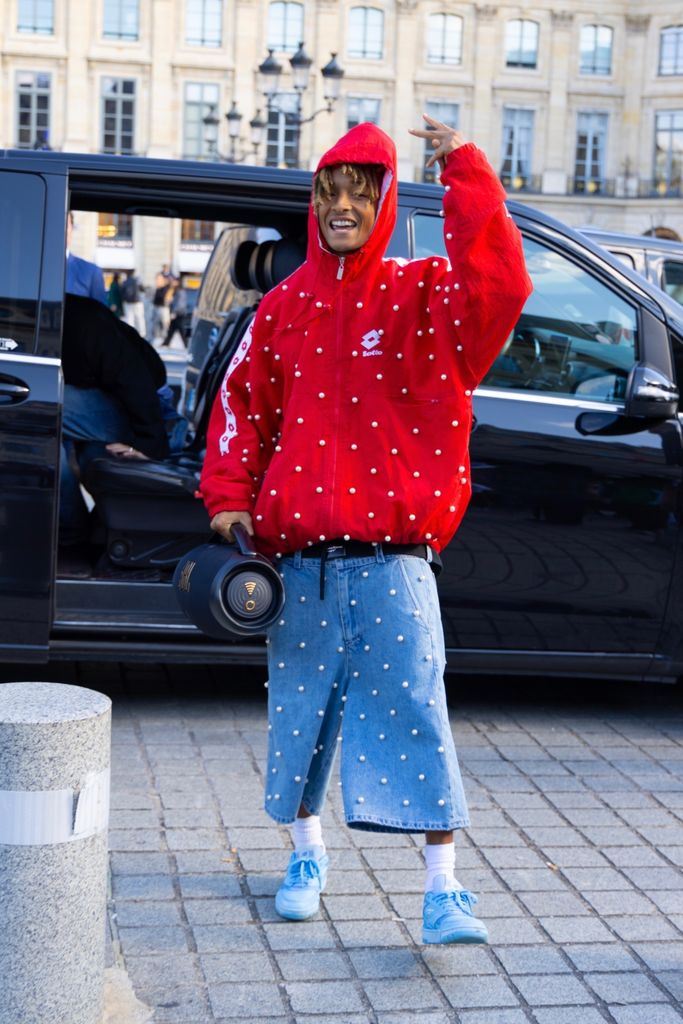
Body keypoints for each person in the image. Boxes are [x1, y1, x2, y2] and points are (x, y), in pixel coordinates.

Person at [200, 118, 532, 944]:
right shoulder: (283, 307)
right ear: (314, 203)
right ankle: (306, 855)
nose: (342, 207)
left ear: (383, 203)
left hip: (395, 556)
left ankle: (443, 889)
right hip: (300, 559)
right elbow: (243, 403)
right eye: (329, 193)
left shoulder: (424, 294)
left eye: (360, 193)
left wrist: (464, 172)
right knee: (301, 714)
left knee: (416, 707)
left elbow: (500, 284)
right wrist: (229, 494)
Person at [59, 294, 174, 546]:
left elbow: (136, 382)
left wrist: (148, 445)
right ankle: (75, 529)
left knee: (45, 400)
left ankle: (70, 533)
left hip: (148, 407)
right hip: (114, 400)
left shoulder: (84, 325)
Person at [65, 212, 107, 305]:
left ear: (71, 230)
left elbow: (100, 316)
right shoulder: (30, 268)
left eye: (64, 225)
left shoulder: (91, 273)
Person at [159, 280, 188, 348]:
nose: (172, 283)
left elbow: (180, 304)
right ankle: (166, 342)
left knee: (180, 329)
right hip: (178, 312)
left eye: (174, 282)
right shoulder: (177, 291)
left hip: (179, 313)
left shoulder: (180, 292)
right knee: (172, 328)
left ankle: (186, 343)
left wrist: (174, 312)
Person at [120, 270, 147, 337]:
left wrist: (124, 300)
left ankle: (130, 334)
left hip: (128, 303)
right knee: (140, 318)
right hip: (138, 302)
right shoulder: (138, 281)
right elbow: (143, 290)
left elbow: (122, 293)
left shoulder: (125, 282)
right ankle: (142, 334)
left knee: (130, 319)